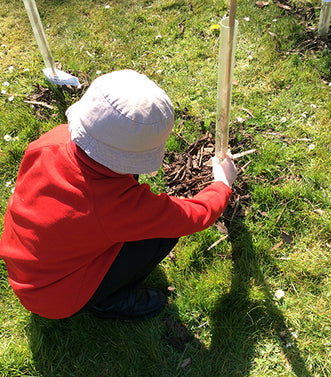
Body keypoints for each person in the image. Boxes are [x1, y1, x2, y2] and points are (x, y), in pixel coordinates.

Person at [0, 70, 237, 321]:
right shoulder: (116, 206)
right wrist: (222, 183)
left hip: (25, 265)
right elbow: (192, 216)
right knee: (160, 237)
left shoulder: (51, 140)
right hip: (57, 298)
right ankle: (110, 300)